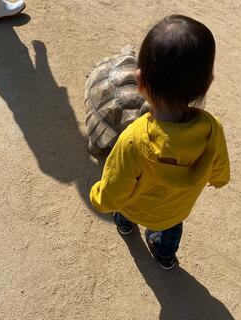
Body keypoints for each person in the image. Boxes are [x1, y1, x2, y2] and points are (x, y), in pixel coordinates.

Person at [90, 15, 230, 270]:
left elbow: (116, 187)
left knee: (123, 209)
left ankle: (124, 223)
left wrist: (99, 198)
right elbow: (220, 169)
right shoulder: (212, 129)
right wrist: (218, 179)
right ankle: (165, 255)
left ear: (140, 82)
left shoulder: (134, 139)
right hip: (175, 211)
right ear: (208, 83)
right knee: (172, 229)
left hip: (136, 207)